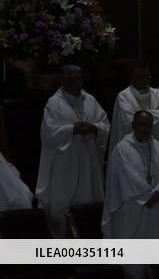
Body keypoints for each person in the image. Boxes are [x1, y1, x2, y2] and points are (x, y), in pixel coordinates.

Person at [36, 64, 110, 235]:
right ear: (63, 79)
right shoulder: (54, 103)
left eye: (79, 78)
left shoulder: (90, 100)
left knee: (90, 205)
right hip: (65, 166)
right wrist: (71, 129)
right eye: (72, 78)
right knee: (66, 207)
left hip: (89, 162)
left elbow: (105, 124)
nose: (77, 82)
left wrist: (94, 128)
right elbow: (48, 134)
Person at [102, 111, 159, 279]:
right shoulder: (122, 149)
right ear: (133, 126)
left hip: (156, 209)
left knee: (157, 262)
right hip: (132, 210)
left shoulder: (157, 146)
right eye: (142, 125)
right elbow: (126, 177)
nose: (146, 129)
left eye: (149, 126)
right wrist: (148, 195)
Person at [109, 60, 159, 152]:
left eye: (148, 76)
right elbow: (130, 121)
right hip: (132, 150)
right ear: (132, 77)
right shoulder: (124, 96)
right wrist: (156, 111)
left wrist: (140, 114)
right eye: (141, 77)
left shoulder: (157, 94)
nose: (145, 80)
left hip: (154, 149)